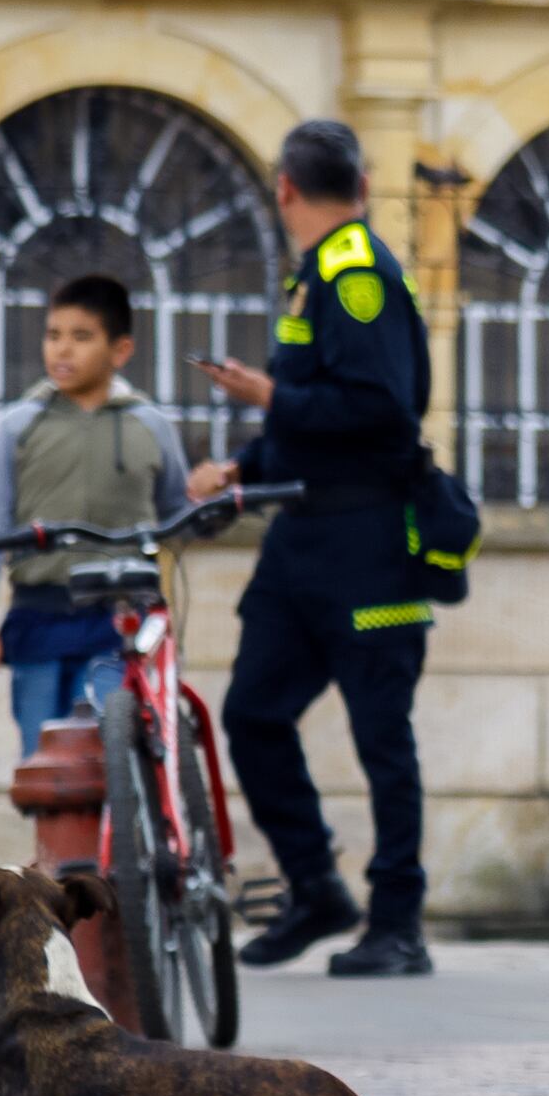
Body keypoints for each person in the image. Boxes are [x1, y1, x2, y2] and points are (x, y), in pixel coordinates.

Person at [195, 118, 445, 980]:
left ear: (285, 190)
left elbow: (381, 411)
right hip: (300, 537)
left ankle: (398, 923)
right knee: (252, 713)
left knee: (383, 736)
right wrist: (240, 470)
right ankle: (317, 890)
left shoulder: (359, 272)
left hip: (368, 538)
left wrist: (269, 393)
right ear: (363, 183)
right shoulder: (316, 276)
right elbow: (310, 419)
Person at [0, 273, 191, 750]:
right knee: (46, 770)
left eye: (81, 337)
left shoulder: (151, 425)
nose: (62, 350)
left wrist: (206, 501)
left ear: (120, 350)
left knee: (113, 756)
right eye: (54, 335)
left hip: (120, 622)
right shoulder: (17, 427)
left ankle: (129, 824)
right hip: (38, 619)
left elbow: (178, 513)